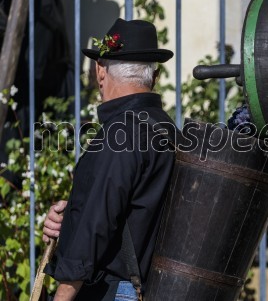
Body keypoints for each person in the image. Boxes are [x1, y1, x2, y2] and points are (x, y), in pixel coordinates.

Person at [42, 18, 177, 301]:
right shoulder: (167, 129)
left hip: (115, 292)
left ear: (100, 71)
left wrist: (61, 297)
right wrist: (73, 215)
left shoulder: (119, 134)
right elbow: (134, 209)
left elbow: (93, 230)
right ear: (153, 77)